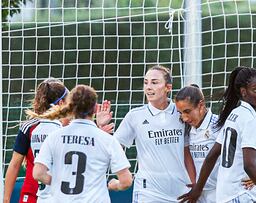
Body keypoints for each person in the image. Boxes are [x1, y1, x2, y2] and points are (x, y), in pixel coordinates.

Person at [178, 66, 256, 203]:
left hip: (225, 195)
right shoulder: (249, 119)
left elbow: (212, 155)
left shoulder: (234, 115)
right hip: (242, 193)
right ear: (243, 92)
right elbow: (249, 165)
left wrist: (198, 189)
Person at [32, 84, 133, 202]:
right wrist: (114, 185)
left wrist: (59, 183)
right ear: (95, 108)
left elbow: (38, 173)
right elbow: (126, 181)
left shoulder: (54, 137)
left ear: (70, 107)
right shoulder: (107, 140)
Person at [113, 65, 196, 203]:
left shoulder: (181, 113)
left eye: (154, 82)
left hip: (181, 192)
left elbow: (186, 151)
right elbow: (114, 146)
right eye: (146, 82)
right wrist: (123, 174)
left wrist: (195, 184)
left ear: (168, 88)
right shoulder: (135, 116)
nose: (148, 87)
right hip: (148, 193)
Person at [3, 78, 68, 203]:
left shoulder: (31, 126)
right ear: (60, 103)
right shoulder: (63, 129)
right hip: (49, 194)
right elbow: (15, 164)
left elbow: (14, 164)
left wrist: (6, 199)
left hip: (36, 194)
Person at [174, 85, 219, 203]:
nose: (184, 118)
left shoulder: (218, 125)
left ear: (201, 105)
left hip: (221, 193)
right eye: (180, 113)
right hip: (199, 194)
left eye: (187, 111)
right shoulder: (188, 129)